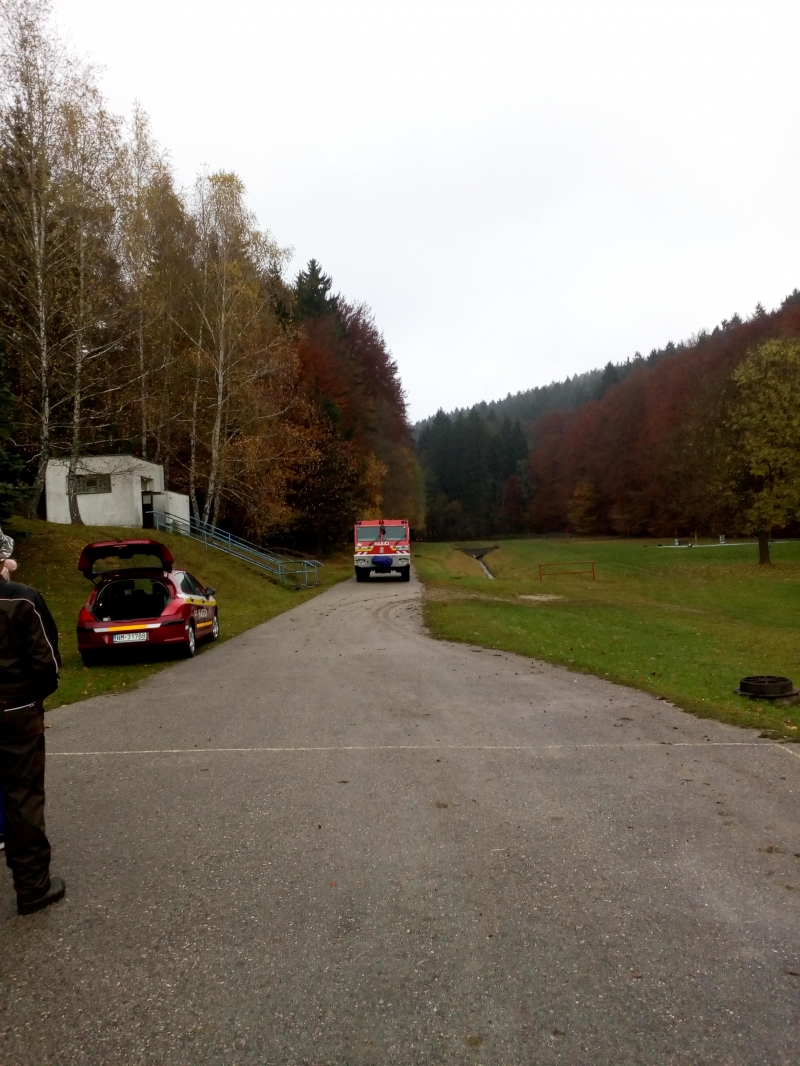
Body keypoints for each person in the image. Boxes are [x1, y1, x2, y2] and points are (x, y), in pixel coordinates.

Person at [0, 528, 65, 914]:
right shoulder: (21, 599)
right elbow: (47, 663)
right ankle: (32, 887)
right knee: (22, 796)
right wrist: (32, 699)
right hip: (14, 712)